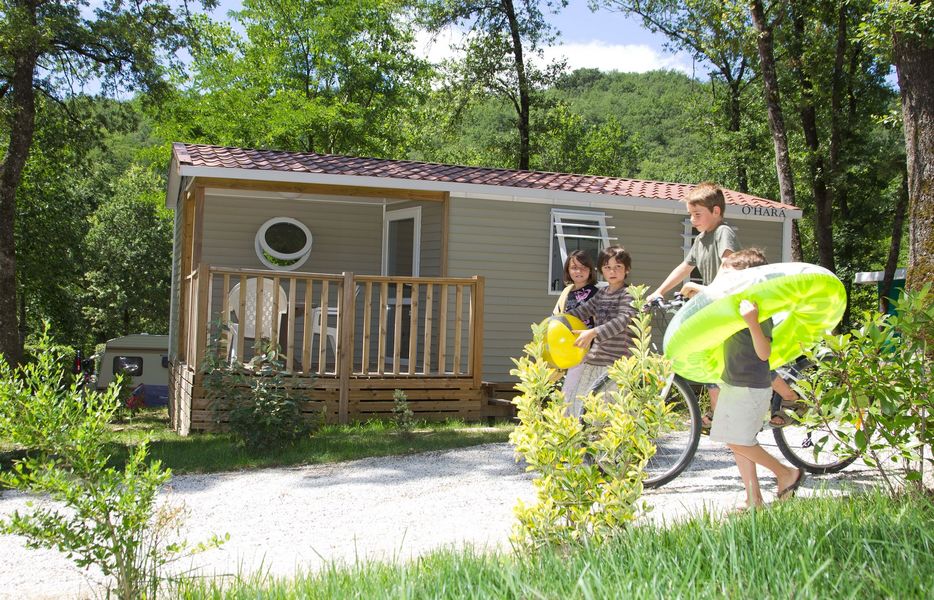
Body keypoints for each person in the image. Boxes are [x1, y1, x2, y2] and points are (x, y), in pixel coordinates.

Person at [646, 182, 797, 429]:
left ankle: (790, 397)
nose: (693, 220)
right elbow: (685, 267)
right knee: (712, 358)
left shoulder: (723, 232)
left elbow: (728, 270)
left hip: (737, 306)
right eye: (690, 215)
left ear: (716, 211)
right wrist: (660, 291)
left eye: (698, 215)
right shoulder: (702, 238)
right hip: (718, 307)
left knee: (749, 359)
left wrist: (705, 292)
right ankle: (720, 415)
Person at [708, 249, 805, 510]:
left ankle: (786, 473)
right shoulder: (733, 306)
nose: (725, 282)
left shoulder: (757, 310)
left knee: (737, 441)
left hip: (752, 386)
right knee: (739, 443)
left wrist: (751, 322)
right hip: (732, 382)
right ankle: (754, 500)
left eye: (731, 276)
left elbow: (764, 353)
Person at [561, 245, 637, 417]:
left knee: (612, 410)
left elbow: (623, 320)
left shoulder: (628, 294)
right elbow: (582, 311)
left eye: (618, 266)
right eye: (607, 267)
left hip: (617, 363)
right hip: (595, 359)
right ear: (602, 270)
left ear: (627, 270)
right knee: (577, 403)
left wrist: (594, 332)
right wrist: (559, 320)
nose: (612, 271)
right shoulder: (602, 294)